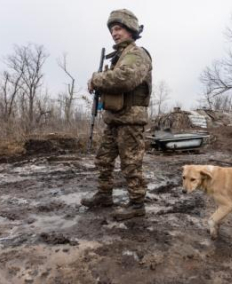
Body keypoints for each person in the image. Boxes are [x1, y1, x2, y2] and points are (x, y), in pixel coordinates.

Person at [81, 9, 152, 221]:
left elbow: (124, 79)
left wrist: (97, 79)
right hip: (114, 119)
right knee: (103, 159)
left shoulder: (137, 54)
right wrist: (99, 83)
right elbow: (114, 82)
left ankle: (137, 204)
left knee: (131, 163)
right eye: (112, 29)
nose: (114, 33)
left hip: (130, 120)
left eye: (118, 28)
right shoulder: (119, 57)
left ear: (130, 29)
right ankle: (104, 195)